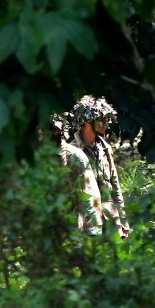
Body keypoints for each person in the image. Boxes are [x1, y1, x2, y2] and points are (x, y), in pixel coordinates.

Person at [70, 95, 130, 239]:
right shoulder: (73, 151)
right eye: (100, 120)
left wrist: (123, 221)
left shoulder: (105, 148)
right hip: (87, 221)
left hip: (110, 218)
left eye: (106, 120)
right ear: (86, 122)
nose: (105, 124)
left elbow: (115, 186)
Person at [49, 113, 103, 234]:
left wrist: (92, 231)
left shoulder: (75, 156)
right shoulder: (34, 155)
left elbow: (88, 195)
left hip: (70, 222)